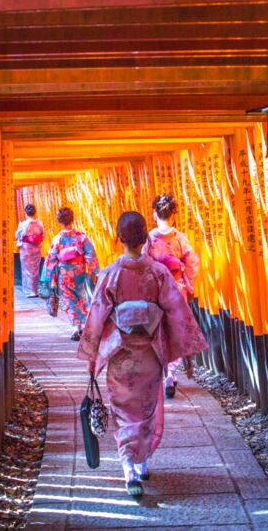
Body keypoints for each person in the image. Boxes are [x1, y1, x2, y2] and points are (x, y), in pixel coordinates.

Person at [77, 211, 208, 496]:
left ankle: (128, 468)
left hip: (120, 355)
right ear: (143, 237)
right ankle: (143, 463)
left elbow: (96, 319)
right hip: (150, 353)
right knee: (147, 409)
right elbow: (176, 311)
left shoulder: (110, 274)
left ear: (119, 237)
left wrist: (91, 359)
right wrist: (186, 352)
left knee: (123, 409)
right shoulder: (158, 273)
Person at [144, 194, 200, 398]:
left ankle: (164, 370)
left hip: (157, 291)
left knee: (160, 330)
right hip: (177, 289)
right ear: (173, 215)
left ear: (154, 214)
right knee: (176, 330)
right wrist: (189, 283)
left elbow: (144, 264)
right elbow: (192, 262)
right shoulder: (180, 238)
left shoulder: (149, 239)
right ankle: (172, 373)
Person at [44, 206, 99, 341]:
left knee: (68, 300)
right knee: (81, 298)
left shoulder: (57, 239)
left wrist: (47, 277)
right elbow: (90, 255)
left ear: (59, 221)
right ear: (72, 220)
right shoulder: (81, 238)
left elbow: (51, 259)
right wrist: (93, 272)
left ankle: (76, 326)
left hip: (64, 275)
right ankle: (81, 325)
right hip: (79, 273)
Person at [15, 203, 46, 298]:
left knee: (27, 270)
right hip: (36, 248)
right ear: (35, 212)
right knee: (35, 270)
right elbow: (43, 235)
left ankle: (30, 290)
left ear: (26, 213)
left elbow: (17, 235)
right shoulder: (39, 224)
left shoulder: (24, 224)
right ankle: (35, 289)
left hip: (26, 249)